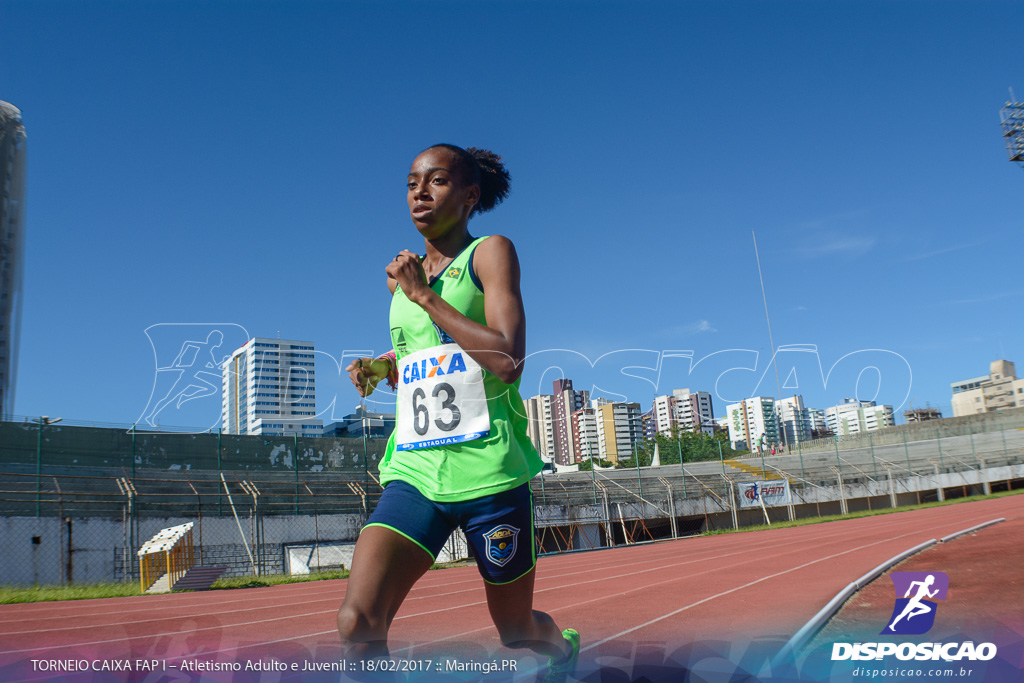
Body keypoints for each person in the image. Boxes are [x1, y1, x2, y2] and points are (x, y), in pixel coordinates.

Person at [337, 144, 579, 681]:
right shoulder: (401, 279)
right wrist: (382, 368)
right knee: (358, 624)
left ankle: (561, 650)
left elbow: (508, 359)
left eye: (437, 181)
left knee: (516, 631)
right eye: (411, 183)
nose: (420, 192)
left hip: (489, 473)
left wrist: (424, 296)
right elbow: (425, 358)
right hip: (417, 471)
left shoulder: (490, 253)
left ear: (470, 196)